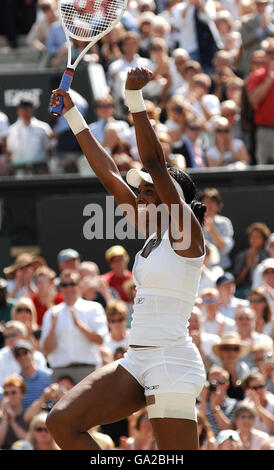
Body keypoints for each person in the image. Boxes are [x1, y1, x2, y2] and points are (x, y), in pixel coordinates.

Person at [47, 66, 207, 450]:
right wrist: (72, 114)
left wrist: (134, 98)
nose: (142, 196)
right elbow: (109, 174)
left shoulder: (186, 232)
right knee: (61, 423)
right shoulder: (153, 231)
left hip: (171, 362)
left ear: (176, 200)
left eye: (151, 192)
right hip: (135, 361)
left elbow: (154, 163)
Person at [40, 269, 108, 384]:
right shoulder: (52, 313)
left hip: (88, 370)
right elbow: (46, 349)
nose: (69, 288)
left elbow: (100, 339)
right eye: (64, 285)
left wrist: (78, 325)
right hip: (60, 373)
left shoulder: (94, 308)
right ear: (60, 288)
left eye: (72, 284)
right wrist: (53, 327)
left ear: (80, 285)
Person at [5, 100, 56, 175]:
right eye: (22, 110)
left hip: (39, 167)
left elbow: (49, 149)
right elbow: (9, 151)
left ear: (32, 111)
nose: (25, 113)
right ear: (18, 112)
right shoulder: (12, 130)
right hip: (20, 168)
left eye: (27, 110)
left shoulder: (43, 128)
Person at [247, 37, 274, 165]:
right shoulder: (257, 75)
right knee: (264, 170)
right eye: (269, 52)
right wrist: (269, 78)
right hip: (266, 131)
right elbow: (253, 101)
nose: (272, 56)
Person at [0, 321, 47, 389]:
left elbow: (43, 380)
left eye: (13, 335)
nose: (9, 339)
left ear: (23, 335)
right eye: (6, 336)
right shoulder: (0, 356)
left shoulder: (37, 356)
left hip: (35, 393)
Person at [199, 187, 234, 270]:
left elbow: (225, 248)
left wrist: (212, 230)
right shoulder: (194, 223)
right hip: (200, 269)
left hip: (222, 268)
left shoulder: (225, 222)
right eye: (206, 202)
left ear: (218, 206)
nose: (209, 205)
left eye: (213, 202)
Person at [234, 222, 271, 298]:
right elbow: (237, 282)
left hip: (264, 290)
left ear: (264, 240)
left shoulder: (268, 256)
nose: (254, 239)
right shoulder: (241, 256)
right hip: (244, 290)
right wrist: (247, 265)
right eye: (252, 236)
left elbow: (269, 277)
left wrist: (254, 264)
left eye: (258, 237)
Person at [13, 339, 52, 410]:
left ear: (32, 353)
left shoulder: (48, 376)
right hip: (23, 419)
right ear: (15, 358)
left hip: (46, 416)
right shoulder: (15, 381)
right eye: (18, 355)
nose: (22, 357)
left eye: (25, 352)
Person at [199, 366, 238, 437]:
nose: (217, 386)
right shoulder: (202, 404)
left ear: (227, 384)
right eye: (213, 383)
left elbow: (229, 430)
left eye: (220, 383)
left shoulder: (235, 404)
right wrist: (203, 398)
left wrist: (215, 407)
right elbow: (199, 424)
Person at [212, 332, 250, 400]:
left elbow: (246, 392)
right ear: (221, 351)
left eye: (236, 348)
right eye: (227, 348)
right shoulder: (214, 370)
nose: (231, 352)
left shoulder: (243, 368)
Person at [0, 375, 29, 450]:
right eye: (6, 393)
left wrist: (13, 423)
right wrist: (5, 419)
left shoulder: (28, 415)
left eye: (13, 392)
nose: (10, 396)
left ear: (22, 395)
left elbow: (30, 442)